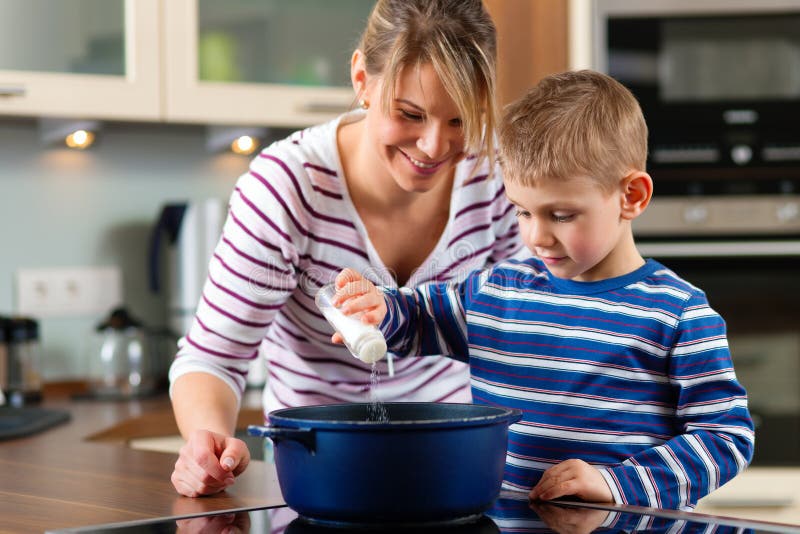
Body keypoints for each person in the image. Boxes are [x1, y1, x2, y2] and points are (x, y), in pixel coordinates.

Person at [330, 69, 755, 510]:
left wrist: (617, 485)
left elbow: (727, 437)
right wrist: (378, 309)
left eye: (562, 215)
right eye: (523, 212)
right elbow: (419, 317)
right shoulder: (497, 290)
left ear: (632, 195)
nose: (537, 237)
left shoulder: (677, 314)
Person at [168, 0, 523, 498]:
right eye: (410, 114)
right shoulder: (287, 188)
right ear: (362, 79)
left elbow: (523, 329)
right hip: (321, 468)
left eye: (460, 120)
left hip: (455, 463)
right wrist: (207, 441)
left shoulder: (497, 178)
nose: (434, 146)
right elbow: (213, 359)